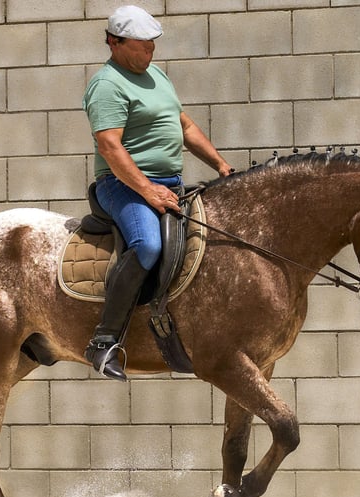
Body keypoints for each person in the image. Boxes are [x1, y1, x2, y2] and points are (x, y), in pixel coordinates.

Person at [83, 5, 233, 381]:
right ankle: (103, 342)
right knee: (147, 245)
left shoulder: (156, 76)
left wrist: (220, 164)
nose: (150, 52)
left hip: (169, 185)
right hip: (122, 186)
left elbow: (184, 124)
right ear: (114, 43)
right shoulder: (107, 84)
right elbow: (110, 147)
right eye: (142, 45)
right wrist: (147, 190)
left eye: (152, 44)